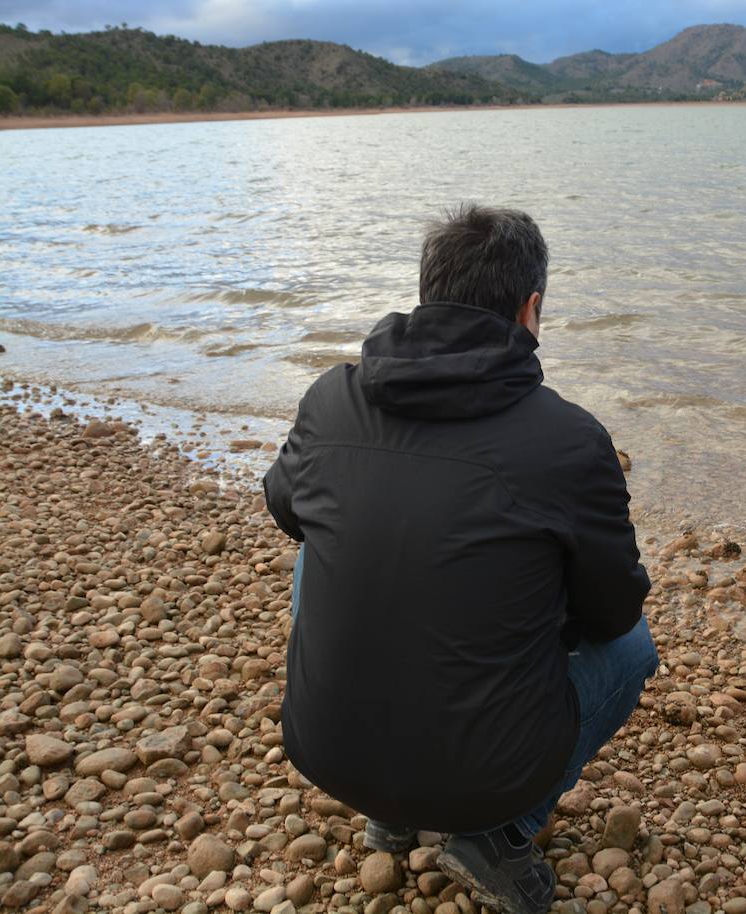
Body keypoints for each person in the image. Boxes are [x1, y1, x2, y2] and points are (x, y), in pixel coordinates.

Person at [263, 204, 655, 914]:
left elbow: (284, 506)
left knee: (330, 538)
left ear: (426, 293)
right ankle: (501, 832)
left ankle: (392, 813)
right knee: (634, 647)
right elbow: (614, 610)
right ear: (530, 308)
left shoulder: (329, 400)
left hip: (328, 752)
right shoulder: (568, 440)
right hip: (484, 777)